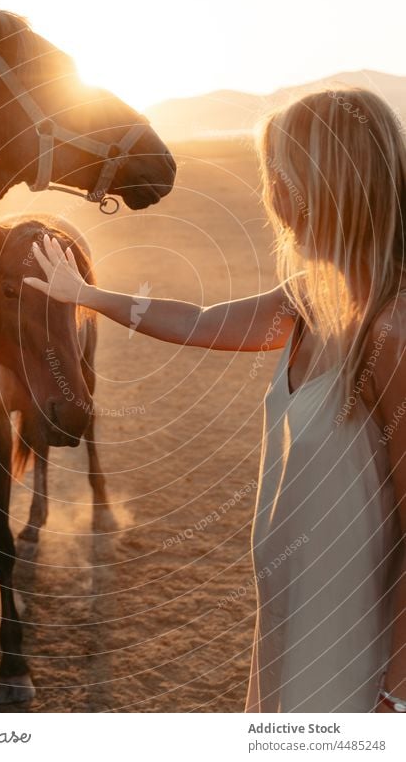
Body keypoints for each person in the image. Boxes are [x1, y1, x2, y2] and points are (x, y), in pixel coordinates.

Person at [24, 88, 406, 713]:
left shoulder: (390, 332)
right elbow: (198, 320)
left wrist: (395, 692)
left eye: (283, 179)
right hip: (288, 620)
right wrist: (86, 295)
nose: (274, 203)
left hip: (352, 651)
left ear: (334, 183)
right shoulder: (310, 301)